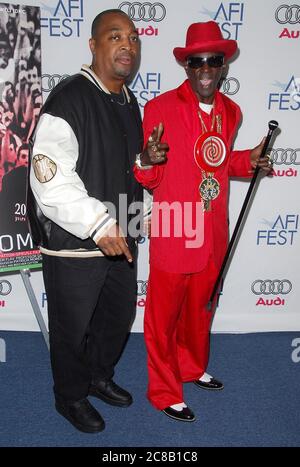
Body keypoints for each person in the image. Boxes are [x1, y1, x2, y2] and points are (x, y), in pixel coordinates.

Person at [134, 21, 272, 422]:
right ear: (187, 67)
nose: (207, 68)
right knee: (162, 318)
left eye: (215, 60)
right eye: (198, 61)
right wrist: (148, 159)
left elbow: (217, 162)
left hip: (213, 232)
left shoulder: (232, 112)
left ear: (225, 65)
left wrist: (250, 159)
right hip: (176, 228)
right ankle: (163, 391)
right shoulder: (159, 109)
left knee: (201, 310)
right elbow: (149, 175)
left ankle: (192, 368)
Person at [27, 9, 143, 433]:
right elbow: (50, 178)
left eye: (132, 37)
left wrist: (141, 186)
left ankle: (98, 376)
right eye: (115, 36)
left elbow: (119, 166)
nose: (127, 44)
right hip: (75, 243)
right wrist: (98, 224)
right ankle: (70, 396)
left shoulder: (130, 103)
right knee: (72, 328)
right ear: (93, 46)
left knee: (117, 318)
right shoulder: (70, 98)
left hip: (121, 237)